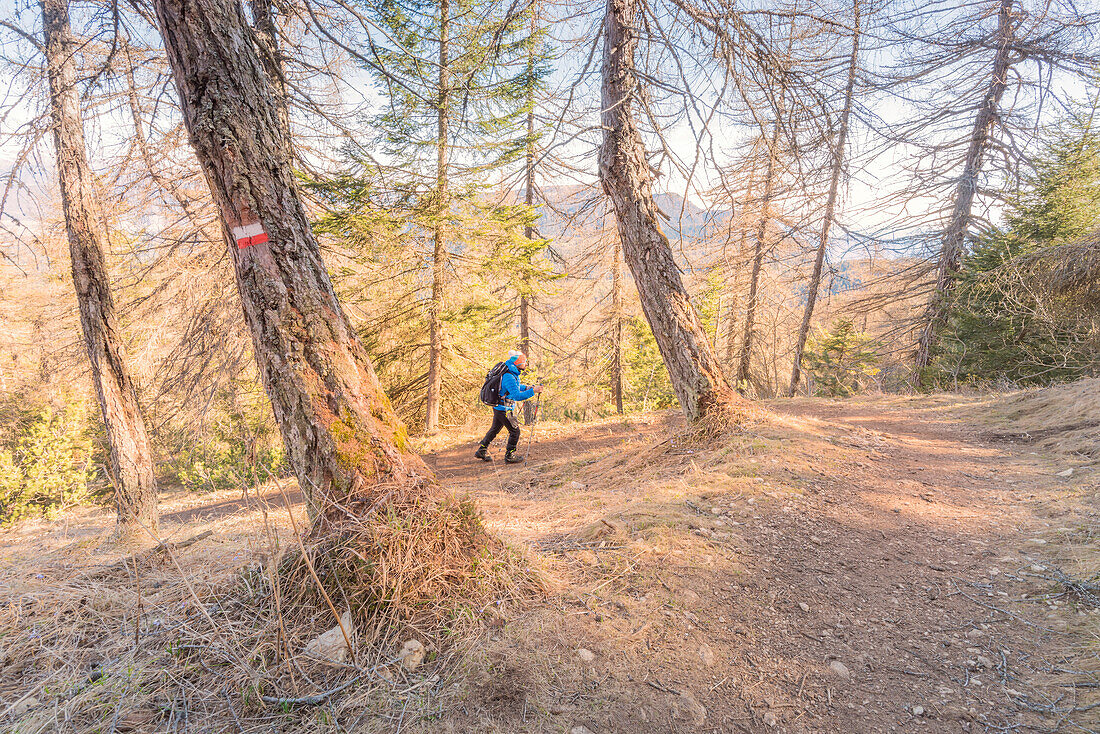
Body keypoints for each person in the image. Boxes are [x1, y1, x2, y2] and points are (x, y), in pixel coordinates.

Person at [475, 351, 544, 464]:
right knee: (515, 431)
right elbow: (516, 395)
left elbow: (514, 387)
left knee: (495, 429)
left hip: (500, 408)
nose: (526, 364)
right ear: (518, 364)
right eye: (524, 362)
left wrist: (527, 387)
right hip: (504, 409)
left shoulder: (511, 372)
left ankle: (481, 450)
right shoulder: (509, 376)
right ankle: (509, 455)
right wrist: (533, 391)